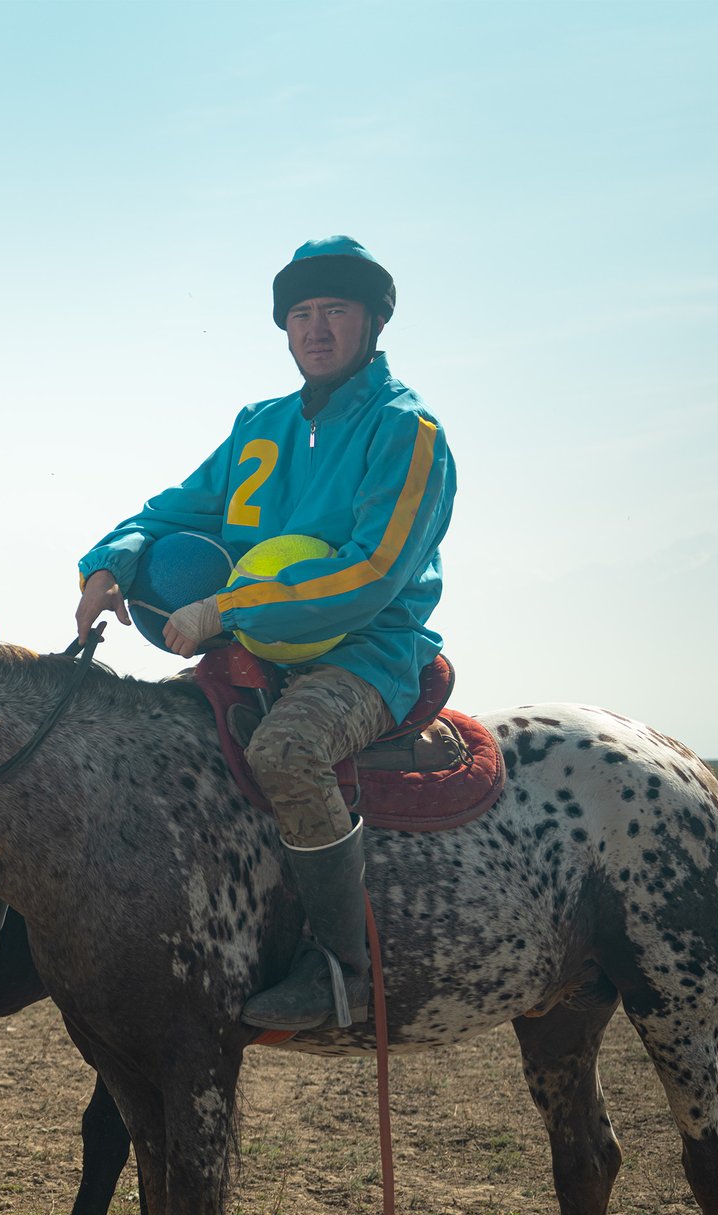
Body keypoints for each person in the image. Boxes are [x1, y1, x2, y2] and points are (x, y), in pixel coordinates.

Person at [74, 238, 456, 1031]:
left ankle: (340, 968)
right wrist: (109, 564)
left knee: (287, 750)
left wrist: (229, 611)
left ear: (375, 321)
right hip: (253, 654)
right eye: (301, 315)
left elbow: (374, 571)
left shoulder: (407, 431)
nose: (316, 329)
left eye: (335, 312)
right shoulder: (259, 426)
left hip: (367, 651)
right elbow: (170, 512)